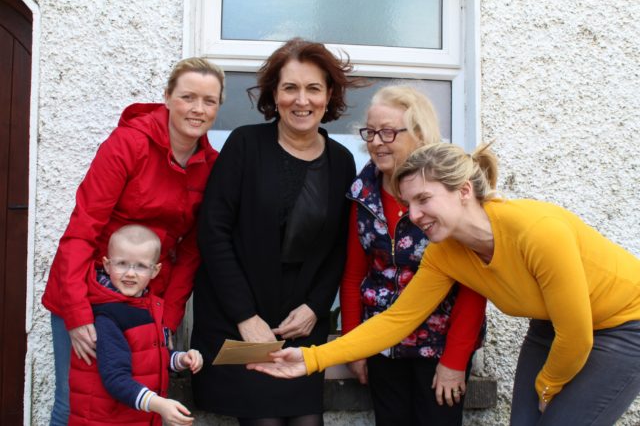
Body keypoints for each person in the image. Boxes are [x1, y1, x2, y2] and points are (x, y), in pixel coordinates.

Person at [249, 142, 640, 426]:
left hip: (625, 325)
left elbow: (577, 337)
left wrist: (547, 387)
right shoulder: (445, 253)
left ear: (464, 191)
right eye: (408, 205)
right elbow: (397, 320)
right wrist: (313, 357)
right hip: (551, 326)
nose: (414, 215)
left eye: (424, 200)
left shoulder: (538, 232)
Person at [42, 57, 224, 425]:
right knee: (74, 404)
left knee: (136, 408)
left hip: (148, 301)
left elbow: (191, 251)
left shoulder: (212, 165)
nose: (198, 109)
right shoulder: (129, 144)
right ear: (168, 97)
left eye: (209, 101)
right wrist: (77, 315)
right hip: (90, 290)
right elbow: (83, 227)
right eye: (188, 97)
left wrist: (168, 317)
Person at [191, 37, 363, 426]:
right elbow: (213, 233)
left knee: (307, 422)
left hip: (298, 323)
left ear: (328, 94)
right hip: (235, 317)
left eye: (313, 88)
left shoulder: (341, 161)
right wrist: (245, 317)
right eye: (290, 88)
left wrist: (317, 306)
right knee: (264, 421)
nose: (302, 100)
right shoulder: (245, 144)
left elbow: (340, 245)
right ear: (274, 94)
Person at [339, 85, 486, 426]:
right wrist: (352, 344)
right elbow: (352, 275)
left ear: (419, 134)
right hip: (382, 344)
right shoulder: (362, 194)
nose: (376, 141)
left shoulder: (447, 192)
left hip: (439, 348)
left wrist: (455, 359)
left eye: (388, 132)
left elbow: (475, 284)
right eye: (371, 132)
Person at [68, 224, 204, 425]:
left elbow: (149, 356)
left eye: (140, 266)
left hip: (136, 416)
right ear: (107, 265)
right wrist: (159, 404)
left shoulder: (149, 307)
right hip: (105, 420)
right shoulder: (106, 315)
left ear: (155, 270)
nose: (130, 273)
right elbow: (115, 379)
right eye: (122, 263)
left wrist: (181, 359)